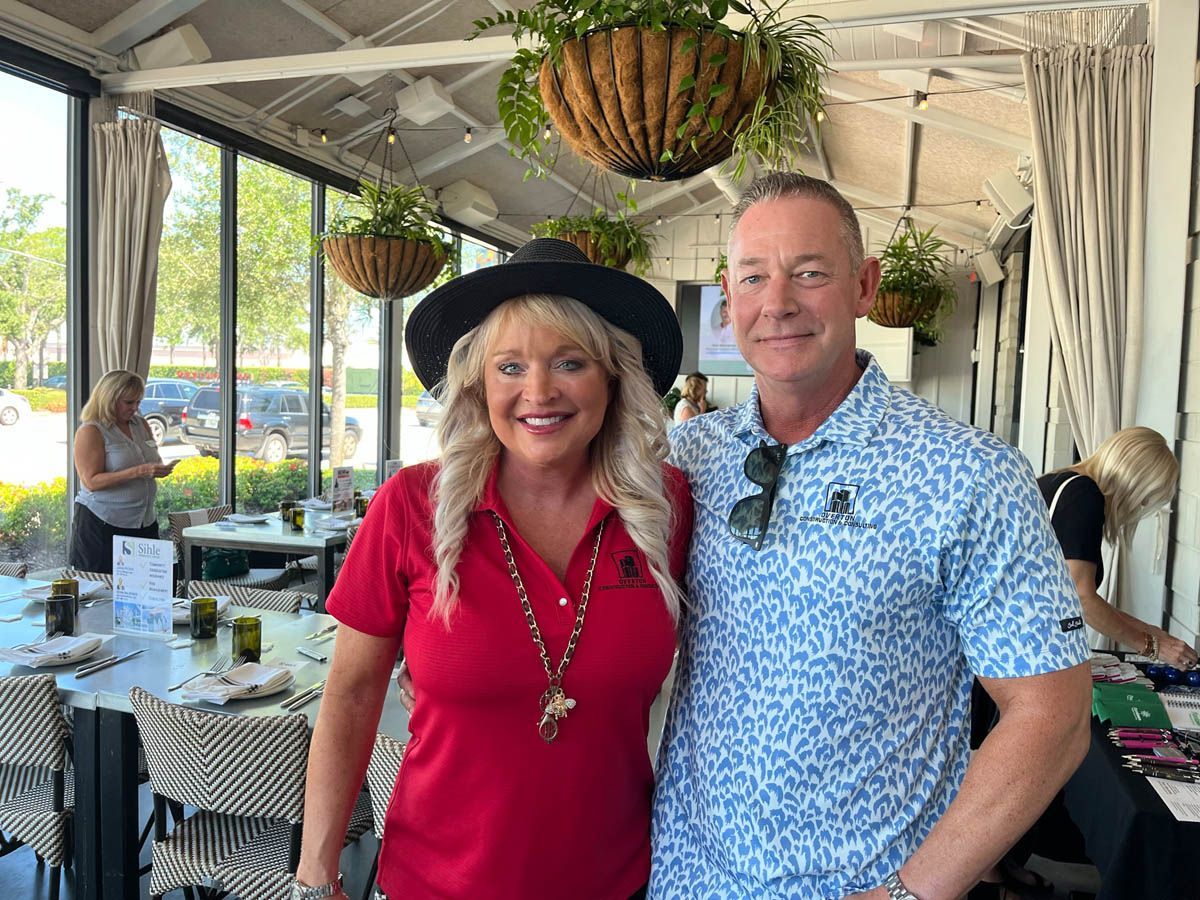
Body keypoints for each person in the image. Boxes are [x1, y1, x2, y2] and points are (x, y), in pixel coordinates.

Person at [651, 173, 1092, 900]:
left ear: (863, 286)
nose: (779, 302)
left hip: (865, 884)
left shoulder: (965, 473)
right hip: (687, 875)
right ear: (730, 301)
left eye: (810, 273)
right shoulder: (692, 458)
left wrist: (913, 892)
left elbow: (1054, 713)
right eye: (754, 277)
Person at [294, 239, 692, 900]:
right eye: (510, 366)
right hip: (435, 883)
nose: (538, 392)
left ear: (613, 376)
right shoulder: (412, 506)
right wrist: (316, 870)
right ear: (480, 384)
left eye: (570, 362)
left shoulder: (666, 507)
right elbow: (354, 693)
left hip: (617, 881)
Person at [1038, 426, 1195, 669]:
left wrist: (1150, 632)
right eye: (1145, 498)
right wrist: (1153, 647)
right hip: (1017, 656)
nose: (1140, 508)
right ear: (1134, 480)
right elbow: (1080, 598)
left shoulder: (1063, 482)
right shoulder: (1084, 494)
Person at [70, 369, 176, 572]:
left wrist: (158, 469)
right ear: (110, 398)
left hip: (143, 522)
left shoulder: (141, 424)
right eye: (129, 402)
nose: (135, 408)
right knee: (102, 592)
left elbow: (151, 459)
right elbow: (91, 482)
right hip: (103, 524)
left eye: (138, 402)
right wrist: (137, 472)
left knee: (144, 589)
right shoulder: (91, 431)